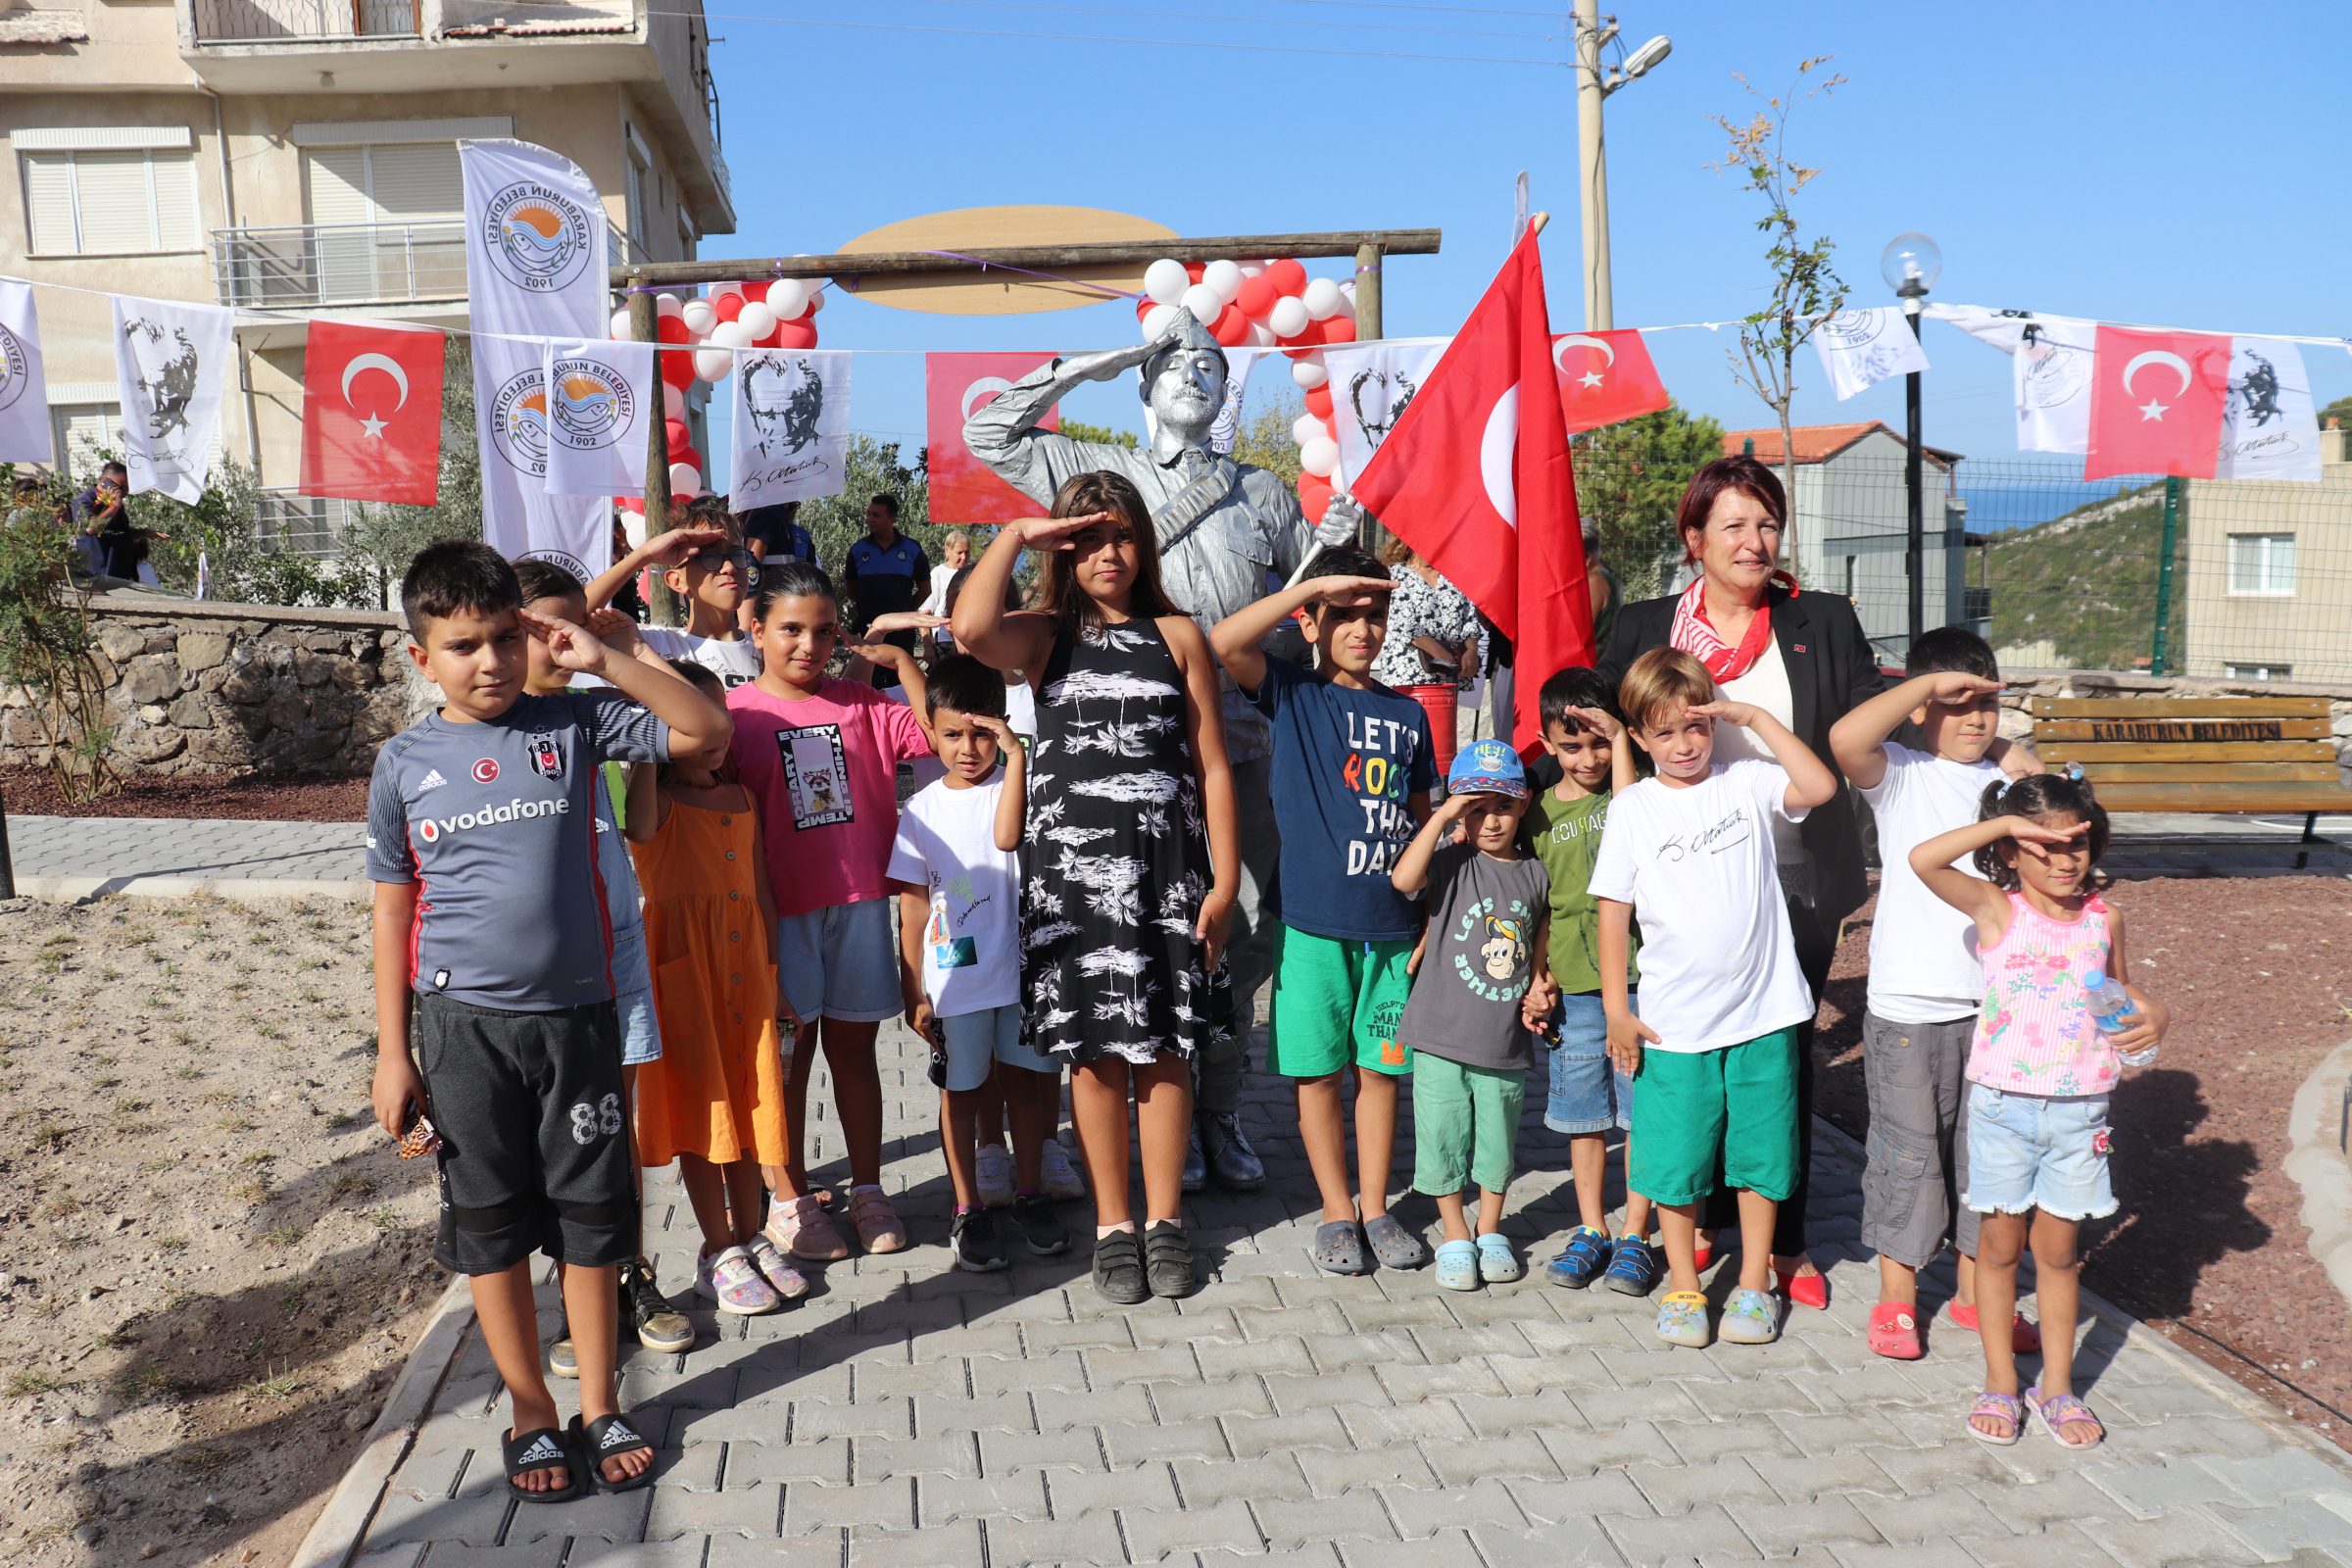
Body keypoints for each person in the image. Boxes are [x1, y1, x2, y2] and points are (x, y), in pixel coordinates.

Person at [1596, 454, 2032, 1307]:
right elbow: (1613, 730)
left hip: (1796, 869)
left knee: (1776, 1050)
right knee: (1692, 1050)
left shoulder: (1819, 619)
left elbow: (1884, 713)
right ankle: (1705, 1217)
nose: (1755, 541)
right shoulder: (1645, 624)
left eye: (1766, 524)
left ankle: (1782, 1244)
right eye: (1734, 525)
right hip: (1683, 869)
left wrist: (2025, 765)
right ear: (1695, 539)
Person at [366, 540, 731, 1501]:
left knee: (591, 1225)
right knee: (491, 1231)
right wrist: (391, 1051)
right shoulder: (402, 765)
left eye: (501, 639)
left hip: (578, 1026)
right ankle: (531, 1410)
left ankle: (601, 1400)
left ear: (527, 637)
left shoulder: (574, 725)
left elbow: (703, 734)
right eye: (461, 646)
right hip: (462, 1035)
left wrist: (606, 655)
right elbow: (392, 907)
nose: (486, 661)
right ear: (421, 658)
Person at [965, 308, 1358, 1193]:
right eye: (1172, 362)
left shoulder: (1262, 492)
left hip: (1236, 743)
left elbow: (1303, 615)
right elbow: (987, 427)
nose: (1193, 374)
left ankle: (1214, 1110)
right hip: (1107, 770)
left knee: (1238, 931)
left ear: (1226, 391)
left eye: (1212, 365)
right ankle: (1108, 1127)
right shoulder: (1097, 475)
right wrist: (1100, 359)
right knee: (1107, 936)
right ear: (1144, 381)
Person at [950, 470, 1239, 1304]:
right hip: (1071, 884)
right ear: (1062, 551)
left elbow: (1212, 766)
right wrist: (1017, 536)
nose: (1108, 554)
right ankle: (1115, 1226)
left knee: (1166, 1049)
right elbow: (970, 630)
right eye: (1086, 539)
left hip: (1168, 877)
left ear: (1144, 543)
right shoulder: (1040, 637)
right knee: (1096, 1054)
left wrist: (1222, 883)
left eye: (1120, 536)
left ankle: (1166, 1221)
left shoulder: (1179, 635)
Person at [1909, 772, 2168, 1448]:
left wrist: (2156, 1014)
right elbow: (1922, 859)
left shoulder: (2103, 918)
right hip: (2002, 1109)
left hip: (2081, 1113)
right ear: (2014, 851)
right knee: (1997, 1249)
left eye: (2075, 844)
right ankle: (1999, 1379)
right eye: (2045, 845)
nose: (2063, 859)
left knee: (2058, 1255)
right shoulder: (1997, 909)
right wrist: (2004, 823)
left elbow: (2121, 990)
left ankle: (2057, 1387)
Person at [1590, 648, 1838, 1349]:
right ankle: (1682, 1288)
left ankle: (1755, 1285)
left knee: (1763, 1158)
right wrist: (1617, 1007)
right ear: (1638, 737)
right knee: (1675, 1164)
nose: (1684, 745)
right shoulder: (1632, 808)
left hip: (1766, 1014)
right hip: (1673, 1026)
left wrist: (1754, 718)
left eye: (1694, 727)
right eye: (1663, 733)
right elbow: (1613, 911)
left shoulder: (1748, 781)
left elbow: (1818, 787)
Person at [1209, 547, 1436, 1276]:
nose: (1363, 629)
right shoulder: (1294, 696)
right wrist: (1312, 587)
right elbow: (1224, 642)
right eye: (1345, 615)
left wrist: (1428, 911)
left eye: (1376, 615)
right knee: (1317, 1075)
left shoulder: (1408, 714)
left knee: (1380, 1074)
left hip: (1394, 930)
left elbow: (1422, 817)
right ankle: (1337, 1212)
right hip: (1311, 928)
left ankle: (1376, 1205)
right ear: (1313, 622)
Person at [1828, 627, 2039, 1361]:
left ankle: (1976, 1296)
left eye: (1988, 703)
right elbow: (1847, 737)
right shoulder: (1905, 773)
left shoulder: (2003, 782)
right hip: (1910, 1008)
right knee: (1906, 1155)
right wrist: (1924, 689)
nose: (1977, 718)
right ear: (1924, 707)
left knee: (1988, 1160)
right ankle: (1895, 1298)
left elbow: (2045, 783)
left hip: (1997, 1010)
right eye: (1961, 704)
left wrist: (1996, 726)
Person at [510, 560, 697, 1373]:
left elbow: (688, 742)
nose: (557, 642)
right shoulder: (491, 724)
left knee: (610, 1129)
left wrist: (624, 647)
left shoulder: (595, 713)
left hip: (612, 942)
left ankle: (631, 1273)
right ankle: (574, 1288)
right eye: (539, 629)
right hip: (528, 965)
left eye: (568, 627)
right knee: (546, 1137)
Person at [725, 559, 934, 1261]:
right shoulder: (735, 716)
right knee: (787, 1062)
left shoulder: (866, 705)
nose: (806, 646)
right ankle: (787, 1199)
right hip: (778, 918)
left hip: (861, 907)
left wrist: (900, 663)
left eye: (821, 632)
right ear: (756, 630)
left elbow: (937, 735)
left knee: (855, 1051)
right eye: (789, 630)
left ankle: (869, 1190)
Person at [624, 659, 807, 1313]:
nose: (717, 736)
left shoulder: (742, 799)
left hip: (746, 974)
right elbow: (639, 828)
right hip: (687, 978)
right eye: (696, 726)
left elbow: (760, 890)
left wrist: (775, 976)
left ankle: (750, 1234)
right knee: (706, 1113)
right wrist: (645, 736)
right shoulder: (659, 802)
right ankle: (715, 1248)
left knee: (751, 1102)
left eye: (721, 722)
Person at [887, 654, 1067, 1271]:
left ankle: (1031, 1191)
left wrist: (1018, 761)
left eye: (983, 733)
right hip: (955, 981)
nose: (969, 748)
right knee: (961, 1091)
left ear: (1004, 728)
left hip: (1021, 975)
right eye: (953, 734)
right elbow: (913, 912)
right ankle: (967, 1208)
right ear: (930, 732)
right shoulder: (919, 810)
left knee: (1024, 1085)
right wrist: (912, 986)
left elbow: (1008, 837)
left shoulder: (1021, 787)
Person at [1390, 740, 1550, 1292]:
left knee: (1498, 1141)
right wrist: (1443, 815)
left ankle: (1490, 1228)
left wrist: (1541, 988)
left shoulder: (1536, 873)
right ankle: (1455, 1232)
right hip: (1438, 1034)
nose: (1490, 819)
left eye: (1502, 806)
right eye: (1477, 807)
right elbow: (1404, 881)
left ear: (1524, 804)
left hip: (1503, 1042)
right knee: (1441, 1136)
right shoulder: (1451, 860)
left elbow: (1538, 951)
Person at [1524, 666, 1658, 1298]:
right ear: (1548, 744)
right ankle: (1591, 1228)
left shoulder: (1633, 797)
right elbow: (1540, 908)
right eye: (1571, 745)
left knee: (1638, 1115)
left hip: (1636, 987)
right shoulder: (1540, 814)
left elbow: (1630, 810)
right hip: (1575, 994)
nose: (1588, 757)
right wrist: (1538, 974)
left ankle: (1636, 1234)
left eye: (1600, 742)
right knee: (1585, 1118)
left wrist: (1623, 741)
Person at [588, 521, 761, 688]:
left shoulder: (766, 648)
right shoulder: (646, 645)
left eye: (737, 554)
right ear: (677, 581)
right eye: (709, 557)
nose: (729, 567)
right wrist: (645, 554)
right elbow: (568, 620)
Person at [1369, 538, 1479, 779]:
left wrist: (1471, 650)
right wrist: (1441, 654)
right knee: (1409, 733)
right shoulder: (1396, 576)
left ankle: (1441, 785)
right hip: (1410, 672)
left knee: (1443, 737)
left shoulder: (1456, 576)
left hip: (1449, 673)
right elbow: (1402, 623)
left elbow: (1470, 618)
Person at [842, 493, 929, 692]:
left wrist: (904, 612)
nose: (870, 519)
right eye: (869, 514)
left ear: (892, 519)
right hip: (868, 629)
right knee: (864, 683)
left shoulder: (912, 549)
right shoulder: (857, 550)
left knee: (898, 683)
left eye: (876, 515)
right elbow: (851, 590)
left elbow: (925, 589)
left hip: (901, 633)